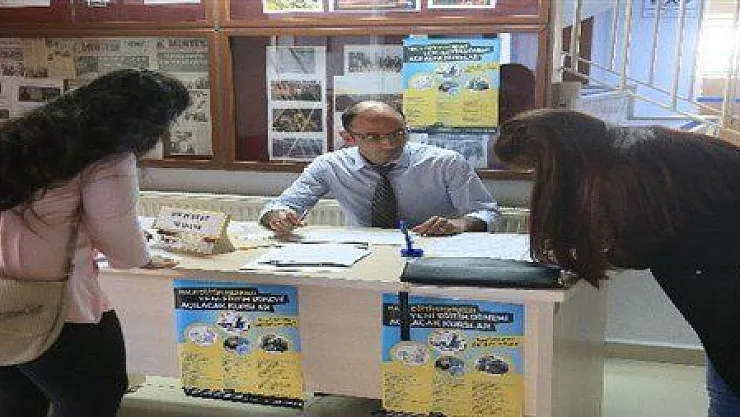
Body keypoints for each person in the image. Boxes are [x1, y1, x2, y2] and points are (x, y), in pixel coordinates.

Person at [493, 108, 740, 416]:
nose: (536, 181)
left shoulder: (630, 171)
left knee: (729, 391)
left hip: (727, 289)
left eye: (534, 171)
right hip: (721, 284)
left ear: (557, 162)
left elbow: (637, 248)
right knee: (726, 387)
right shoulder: (642, 147)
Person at [0, 68, 190, 416]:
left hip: (5, 295)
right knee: (94, 397)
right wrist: (143, 258)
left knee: (17, 402)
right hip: (58, 307)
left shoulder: (22, 136)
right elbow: (117, 236)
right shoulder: (108, 157)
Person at [259, 100, 499, 235]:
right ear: (349, 138)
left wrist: (458, 224)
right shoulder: (330, 165)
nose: (389, 144)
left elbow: (487, 213)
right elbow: (280, 206)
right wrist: (278, 217)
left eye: (398, 133)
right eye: (373, 137)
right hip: (363, 250)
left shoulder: (445, 162)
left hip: (432, 248)